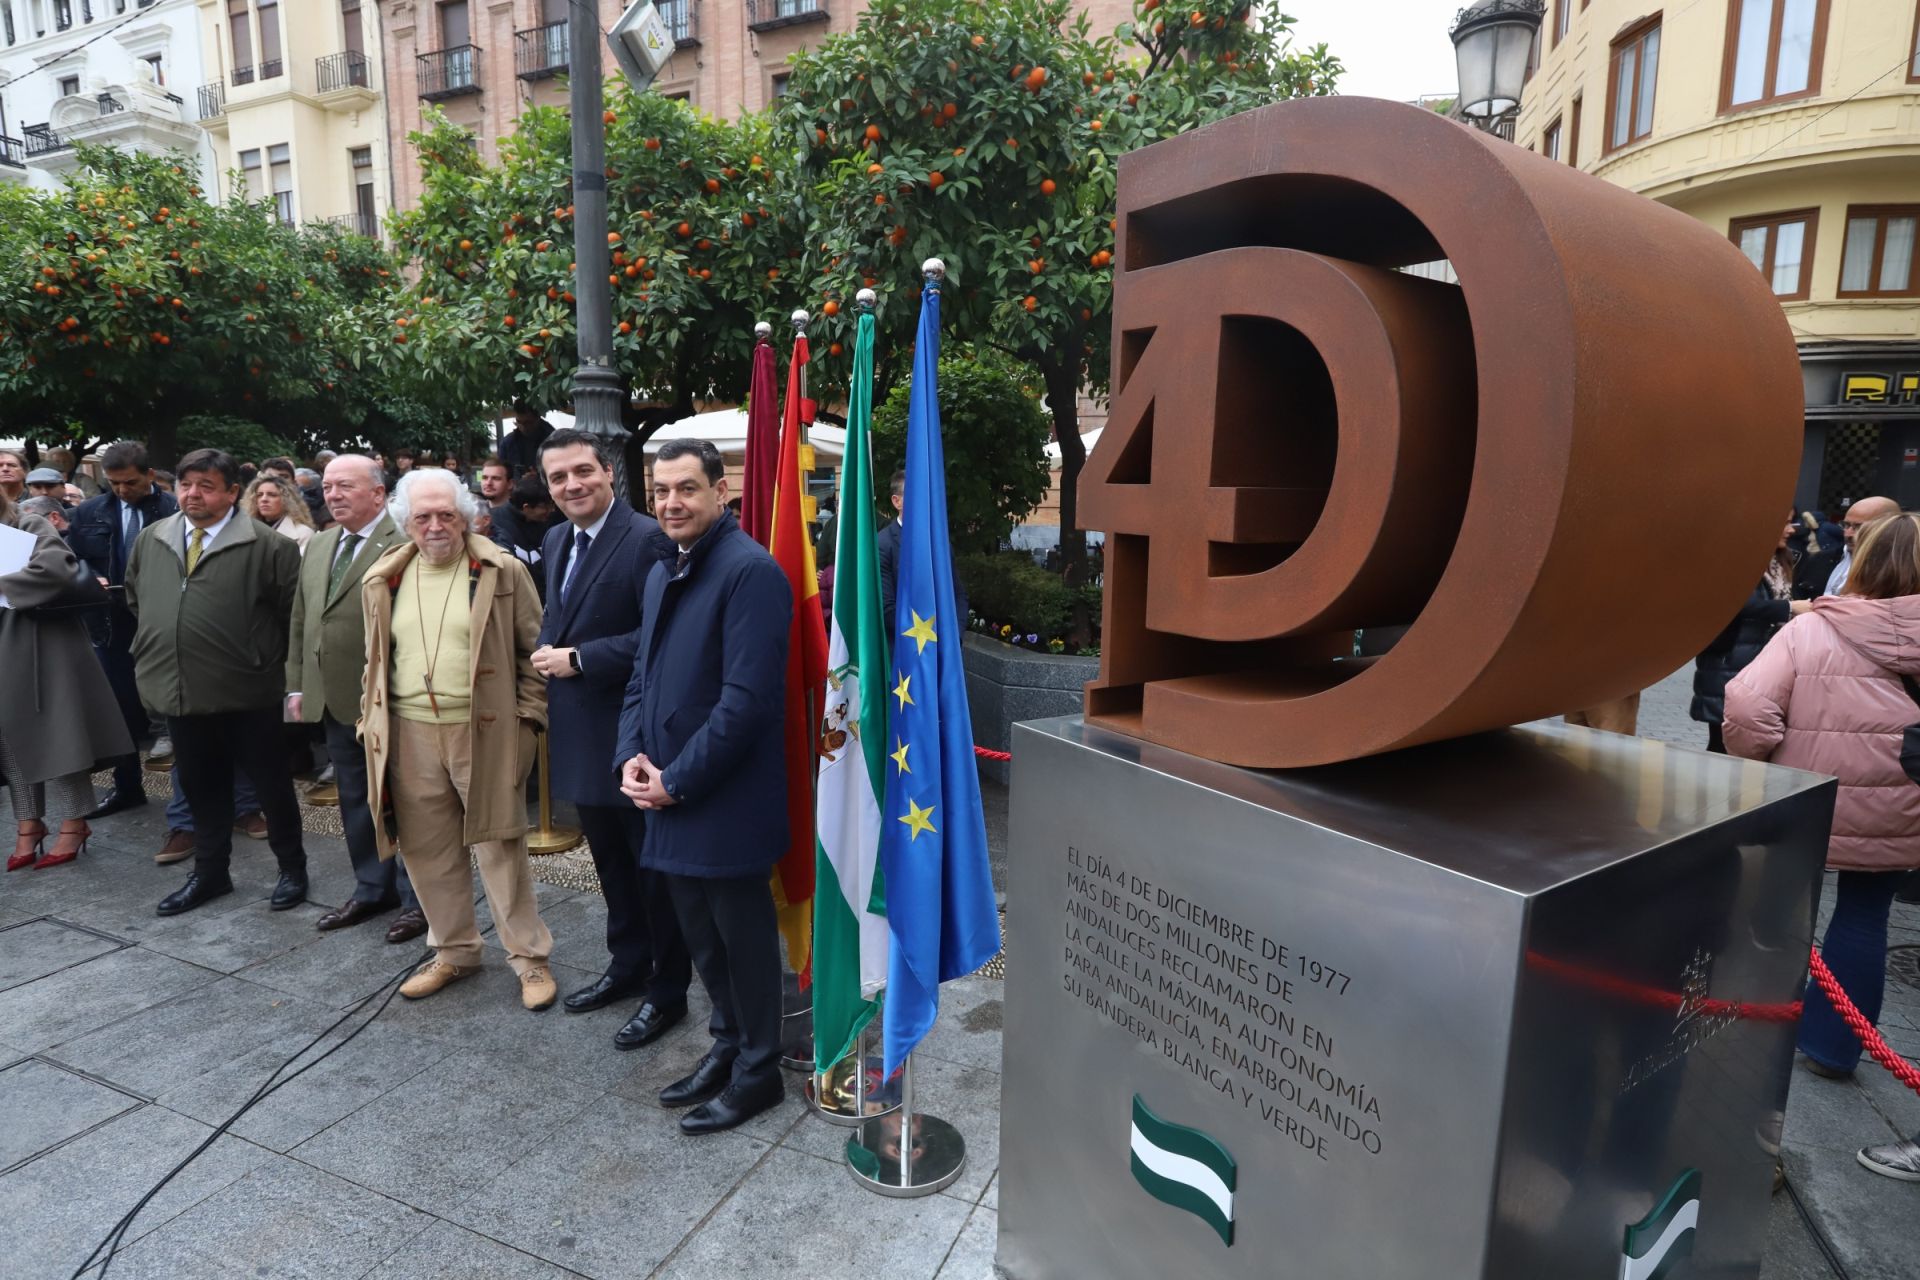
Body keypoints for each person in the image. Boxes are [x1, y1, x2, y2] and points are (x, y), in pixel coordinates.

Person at [617, 438, 793, 1135]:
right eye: (660, 491)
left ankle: (759, 1073)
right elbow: (641, 675)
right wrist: (629, 755)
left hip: (722, 802)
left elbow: (746, 702)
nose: (670, 503)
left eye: (686, 488)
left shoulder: (751, 572)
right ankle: (727, 1046)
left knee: (743, 945)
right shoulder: (667, 568)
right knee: (703, 940)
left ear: (723, 492)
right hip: (667, 793)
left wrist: (676, 782)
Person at [1724, 512, 1920, 1083]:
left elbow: (1744, 706)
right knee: (1865, 916)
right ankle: (1835, 1048)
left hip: (1812, 797)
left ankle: (1764, 1000)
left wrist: (1765, 758)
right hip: (1903, 806)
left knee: (1788, 900)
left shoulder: (1813, 629)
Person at [360, 468, 557, 1011]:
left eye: (446, 514)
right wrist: (368, 722)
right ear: (406, 522)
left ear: (466, 516)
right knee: (426, 852)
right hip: (408, 733)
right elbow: (376, 661)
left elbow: (535, 655)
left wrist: (527, 723)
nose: (435, 525)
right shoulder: (385, 576)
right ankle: (454, 951)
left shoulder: (502, 570)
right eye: (422, 516)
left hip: (484, 733)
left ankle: (529, 959)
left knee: (500, 847)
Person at [530, 430, 691, 1040]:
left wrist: (579, 658)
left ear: (609, 473)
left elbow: (659, 638)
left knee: (652, 870)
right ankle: (627, 964)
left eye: (582, 472)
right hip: (577, 731)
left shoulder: (647, 536)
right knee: (611, 865)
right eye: (558, 478)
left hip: (631, 736)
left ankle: (668, 990)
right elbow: (560, 614)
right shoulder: (554, 537)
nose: (571, 485)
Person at [126, 449, 308, 917]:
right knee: (202, 788)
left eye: (206, 486)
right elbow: (137, 599)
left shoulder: (270, 547)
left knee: (271, 787)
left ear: (232, 493)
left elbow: (294, 618)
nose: (193, 494)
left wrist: (269, 665)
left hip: (250, 692)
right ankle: (210, 874)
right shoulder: (154, 539)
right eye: (186, 484)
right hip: (180, 689)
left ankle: (291, 869)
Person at [287, 455, 424, 943]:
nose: (333, 494)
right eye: (327, 486)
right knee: (355, 799)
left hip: (391, 701)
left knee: (405, 801)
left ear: (378, 493)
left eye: (346, 485)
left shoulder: (406, 542)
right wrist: (298, 686)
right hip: (335, 698)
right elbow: (303, 619)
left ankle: (418, 899)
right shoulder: (322, 543)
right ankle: (372, 887)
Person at [2, 488, 134, 871]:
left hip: (39, 643)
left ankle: (75, 823)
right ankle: (29, 823)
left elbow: (56, 569)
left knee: (58, 735)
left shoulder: (27, 522)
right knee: (9, 739)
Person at [66, 441, 178, 822]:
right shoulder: (89, 511)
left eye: (129, 482)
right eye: (114, 483)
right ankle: (127, 785)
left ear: (149, 474)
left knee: (174, 710)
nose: (121, 490)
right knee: (121, 711)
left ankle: (189, 798)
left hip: (163, 622)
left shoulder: (175, 510)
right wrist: (87, 577)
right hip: (111, 624)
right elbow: (73, 555)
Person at [1691, 516, 1811, 753]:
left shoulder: (1783, 561)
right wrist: (1789, 608)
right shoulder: (1731, 561)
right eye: (1783, 522)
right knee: (1722, 742)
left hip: (1763, 658)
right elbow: (1736, 604)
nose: (1790, 530)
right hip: (1729, 658)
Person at [490, 471, 559, 601]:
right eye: (545, 507)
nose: (550, 511)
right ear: (526, 508)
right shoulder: (495, 525)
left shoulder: (544, 523)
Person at [1824, 496, 1900, 597]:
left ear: (1888, 528)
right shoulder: (1822, 560)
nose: (1848, 534)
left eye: (1859, 527)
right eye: (1846, 525)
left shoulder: (1901, 572)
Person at [242, 474, 316, 555]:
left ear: (287, 500)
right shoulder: (246, 530)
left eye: (272, 495)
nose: (264, 499)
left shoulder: (303, 534)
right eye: (259, 495)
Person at [499, 402, 555, 478]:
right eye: (518, 422)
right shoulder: (507, 443)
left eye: (528, 422)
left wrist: (539, 478)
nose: (523, 427)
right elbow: (502, 473)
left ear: (538, 418)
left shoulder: (553, 440)